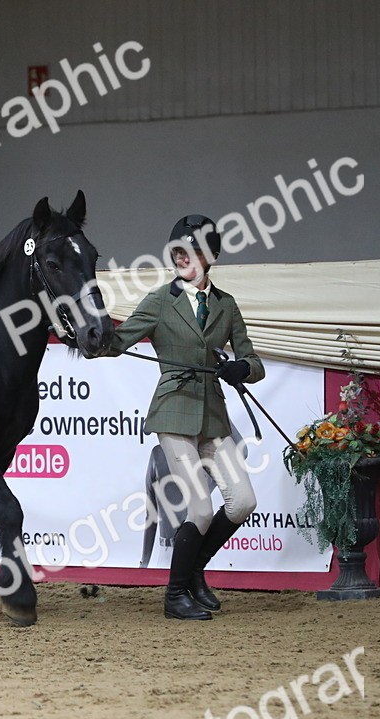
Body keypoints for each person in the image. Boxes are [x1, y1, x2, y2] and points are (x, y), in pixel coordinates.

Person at [109, 215, 264, 620]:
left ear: (209, 257)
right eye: (177, 251)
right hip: (174, 412)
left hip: (213, 414)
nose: (181, 257)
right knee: (199, 509)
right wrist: (84, 331)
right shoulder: (161, 300)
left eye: (191, 251)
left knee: (242, 500)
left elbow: (253, 360)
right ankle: (175, 595)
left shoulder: (225, 305)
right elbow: (117, 341)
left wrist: (241, 369)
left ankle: (194, 571)